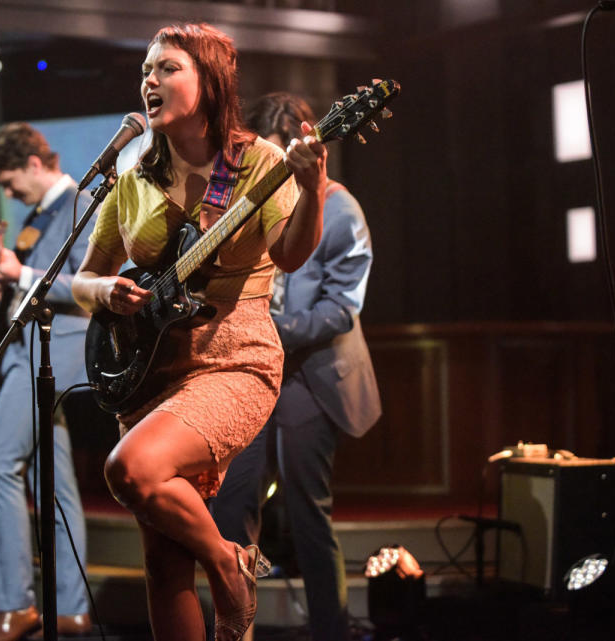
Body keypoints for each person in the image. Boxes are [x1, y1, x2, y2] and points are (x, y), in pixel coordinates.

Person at [71, 22, 328, 641]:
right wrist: (106, 292)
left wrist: (313, 183)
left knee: (130, 470)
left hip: (233, 361)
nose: (149, 82)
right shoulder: (132, 179)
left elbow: (292, 255)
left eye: (166, 69)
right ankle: (228, 561)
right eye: (145, 72)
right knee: (163, 566)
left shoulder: (257, 164)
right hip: (149, 373)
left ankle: (229, 563)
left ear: (208, 82)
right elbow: (83, 280)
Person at [210, 93, 382, 641]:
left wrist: (268, 332)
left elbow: (341, 309)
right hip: (253, 377)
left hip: (310, 375)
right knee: (234, 509)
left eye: (280, 154)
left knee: (310, 513)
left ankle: (331, 628)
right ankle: (241, 625)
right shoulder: (249, 204)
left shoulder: (340, 206)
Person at [0, 123, 93, 640]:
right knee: (55, 485)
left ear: (34, 164)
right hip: (29, 350)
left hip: (57, 355)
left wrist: (18, 276)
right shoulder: (36, 217)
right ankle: (71, 608)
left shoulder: (83, 205)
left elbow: (91, 287)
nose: (7, 194)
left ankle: (17, 603)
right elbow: (29, 283)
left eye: (9, 182)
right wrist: (1, 286)